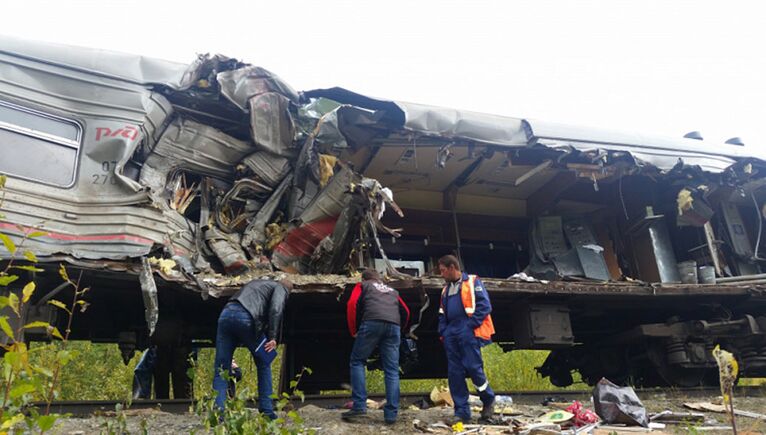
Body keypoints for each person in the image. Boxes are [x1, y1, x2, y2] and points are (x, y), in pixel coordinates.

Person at [212, 279, 292, 419]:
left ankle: (218, 414)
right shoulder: (281, 287)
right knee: (264, 362)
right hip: (245, 317)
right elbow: (275, 308)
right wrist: (273, 337)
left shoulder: (259, 283)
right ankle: (267, 411)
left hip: (225, 314)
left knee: (221, 369)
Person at [343, 269, 410, 424]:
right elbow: (405, 311)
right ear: (379, 279)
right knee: (392, 370)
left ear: (364, 278)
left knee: (357, 361)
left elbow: (352, 304)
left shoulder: (363, 286)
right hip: (394, 327)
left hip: (372, 322)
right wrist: (401, 329)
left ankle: (359, 406)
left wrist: (354, 330)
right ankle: (391, 414)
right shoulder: (393, 290)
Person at [437, 254, 496, 423]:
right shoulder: (445, 289)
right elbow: (442, 312)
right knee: (454, 373)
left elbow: (485, 306)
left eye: (443, 270)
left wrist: (470, 326)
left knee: (473, 368)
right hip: (451, 332)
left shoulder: (472, 281)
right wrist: (443, 331)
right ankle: (462, 412)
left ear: (452, 268)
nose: (441, 274)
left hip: (467, 330)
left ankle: (488, 400)